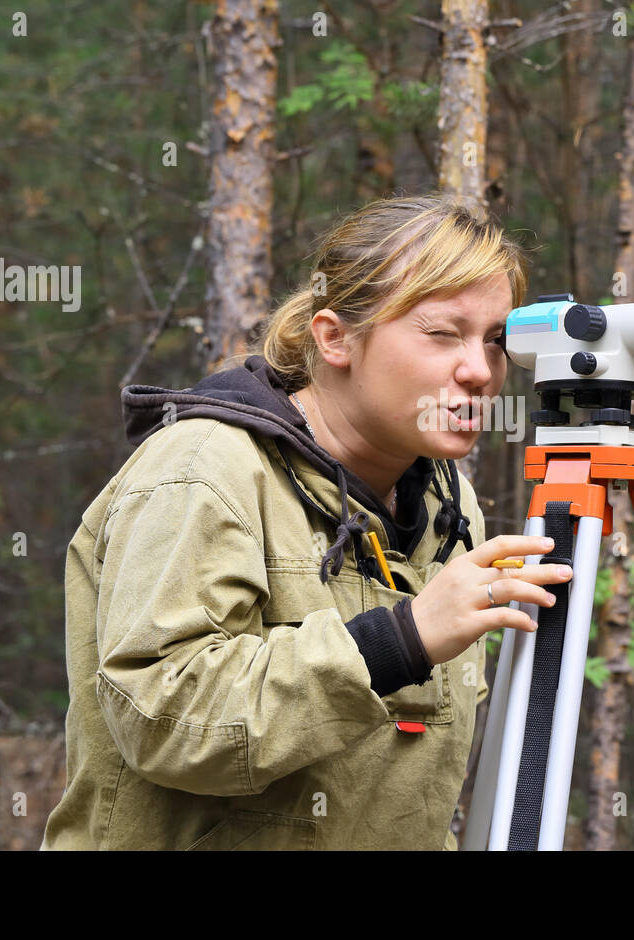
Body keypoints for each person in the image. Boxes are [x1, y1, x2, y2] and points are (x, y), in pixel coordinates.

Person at [40, 193, 573, 850]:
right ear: (335, 337)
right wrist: (399, 640)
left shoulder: (451, 506)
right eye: (442, 333)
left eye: (496, 341)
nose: (479, 371)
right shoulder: (204, 469)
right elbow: (163, 717)